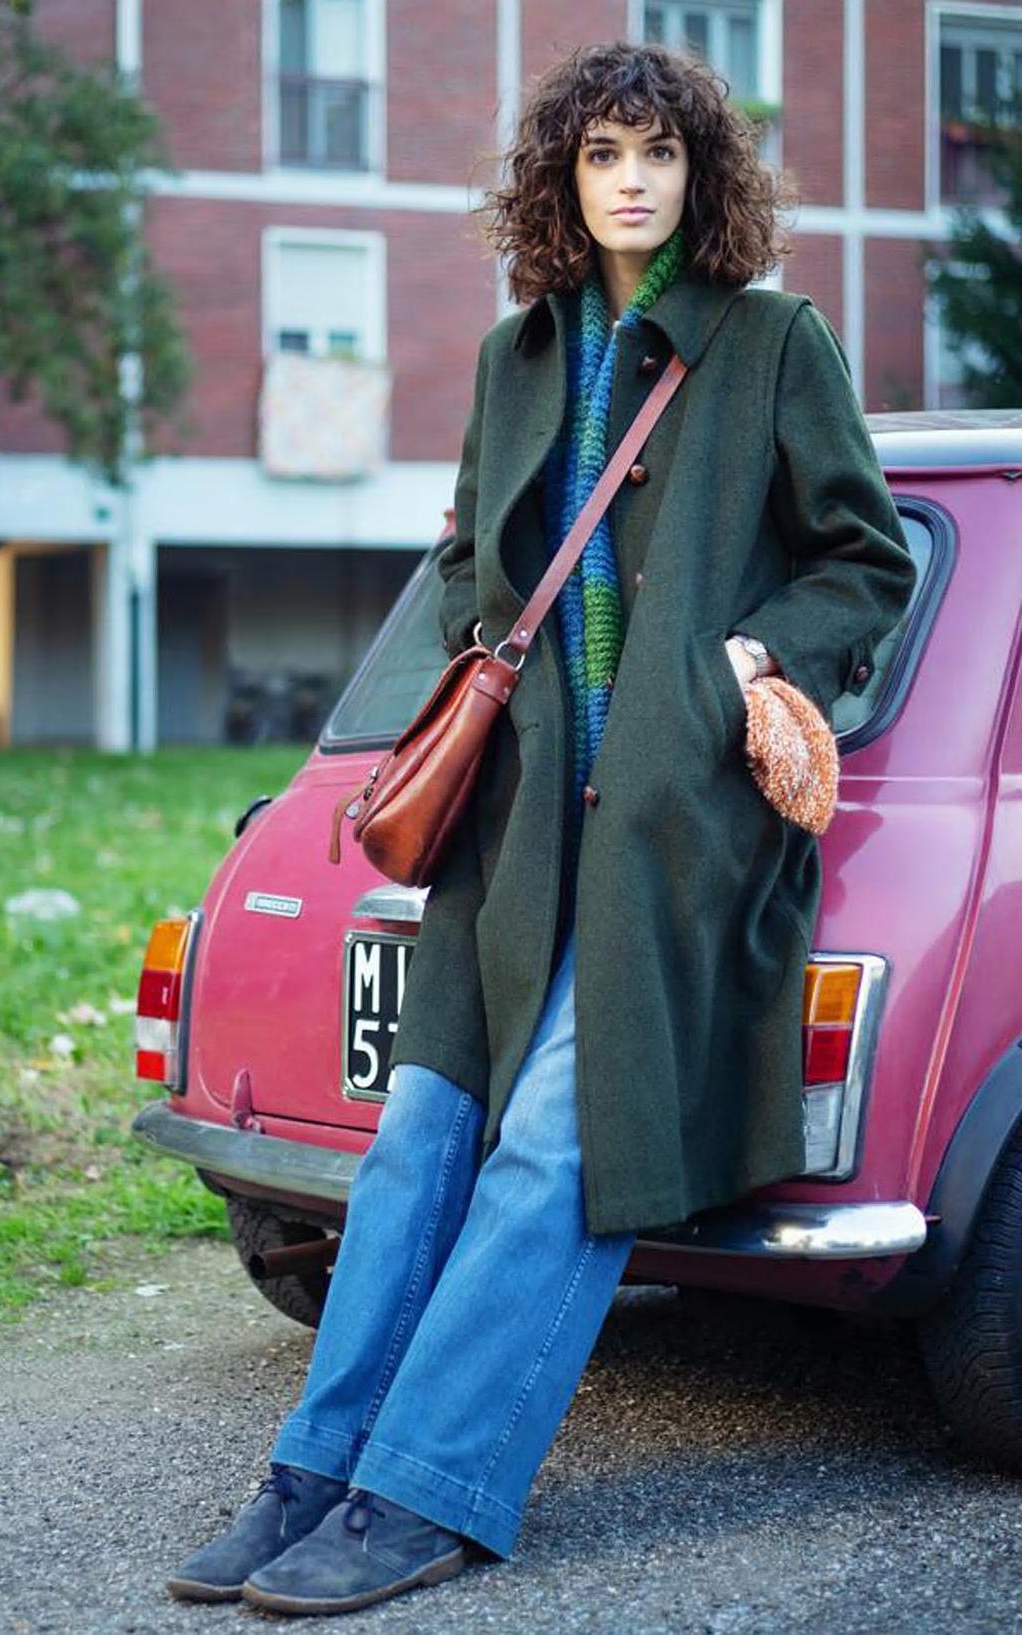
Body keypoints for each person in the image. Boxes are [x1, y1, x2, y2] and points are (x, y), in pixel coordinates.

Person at [167, 39, 917, 1618]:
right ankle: (316, 1466)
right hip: (508, 831)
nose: (633, 181)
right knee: (419, 1143)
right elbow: (467, 554)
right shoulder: (519, 355)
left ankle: (423, 1491)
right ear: (563, 182)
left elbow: (865, 560)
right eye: (603, 156)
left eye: (661, 153)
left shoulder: (772, 342)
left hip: (672, 830)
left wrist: (744, 662)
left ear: (702, 173)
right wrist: (475, 639)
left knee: (557, 1148)